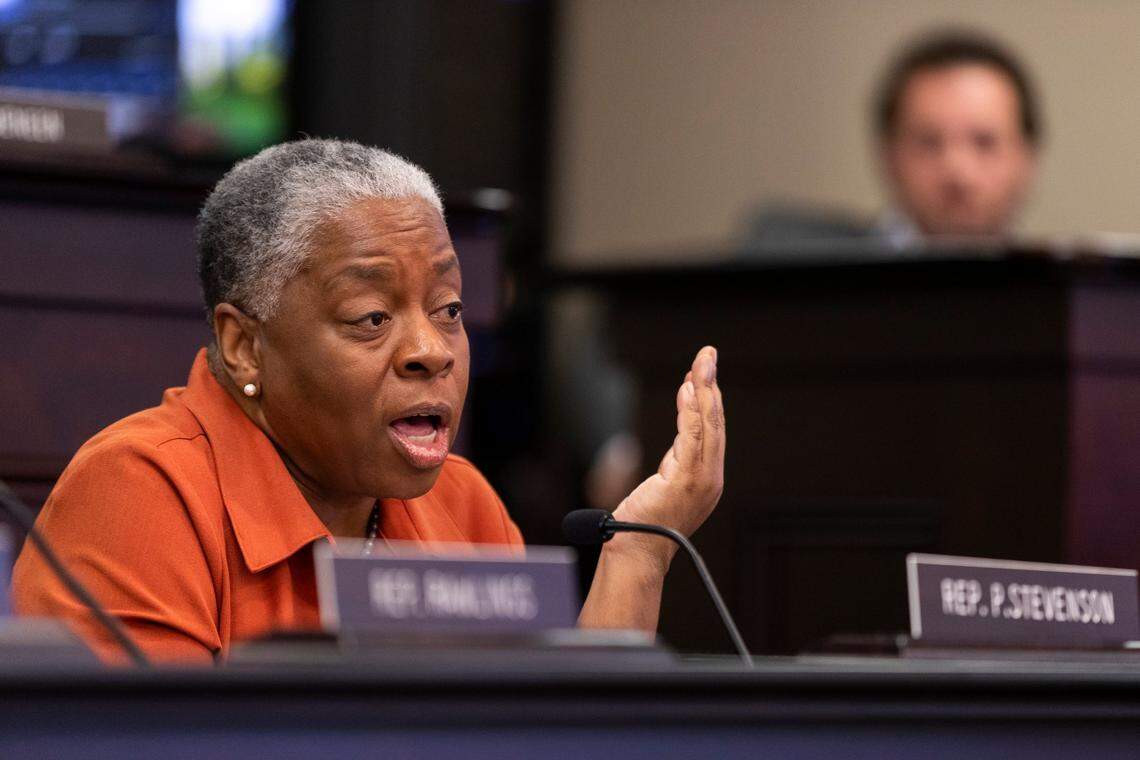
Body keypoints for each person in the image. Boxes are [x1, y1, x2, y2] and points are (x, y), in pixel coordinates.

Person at [12, 139, 726, 663]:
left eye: (447, 309)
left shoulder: (463, 504)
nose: (432, 350)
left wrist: (637, 551)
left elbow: (561, 743)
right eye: (372, 319)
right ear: (243, 346)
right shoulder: (140, 494)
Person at [747, 29, 1041, 247]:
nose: (958, 171)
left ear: (1027, 156)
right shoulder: (794, 266)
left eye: (984, 142)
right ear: (888, 155)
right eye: (928, 142)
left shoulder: (1064, 300)